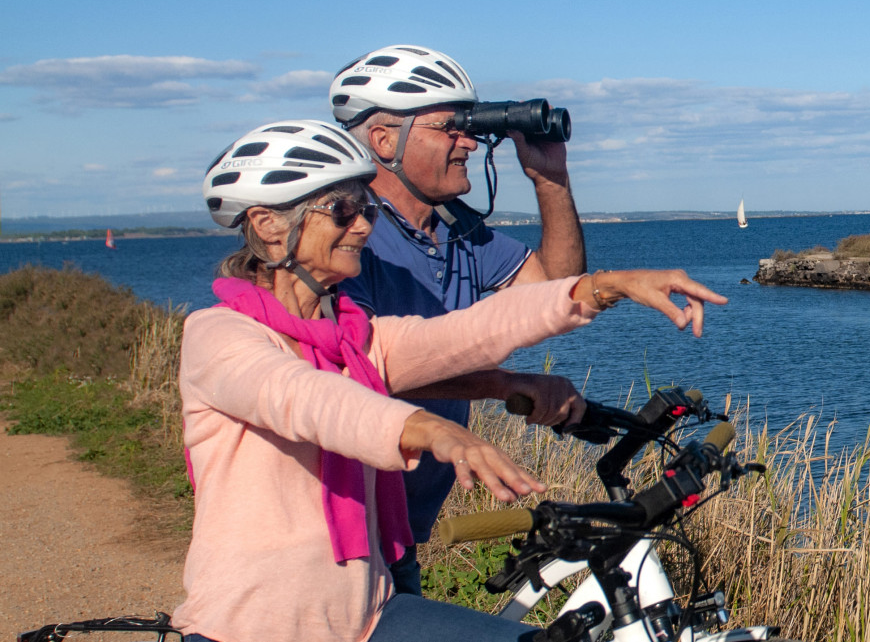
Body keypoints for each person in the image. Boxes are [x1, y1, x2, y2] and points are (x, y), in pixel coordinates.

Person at [178, 120, 725, 642]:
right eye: (342, 210)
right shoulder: (220, 336)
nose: (364, 225)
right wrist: (431, 430)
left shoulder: (355, 340)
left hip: (369, 614)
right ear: (268, 225)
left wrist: (603, 287)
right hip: (254, 627)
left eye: (366, 208)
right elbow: (307, 400)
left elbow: (468, 332)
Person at [326, 44, 590, 593]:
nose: (469, 141)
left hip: (401, 530)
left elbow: (557, 297)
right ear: (383, 140)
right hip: (341, 533)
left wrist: (551, 182)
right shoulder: (352, 242)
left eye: (470, 127)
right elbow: (371, 366)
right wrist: (504, 383)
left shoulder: (459, 236)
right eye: (451, 127)